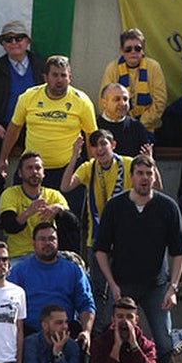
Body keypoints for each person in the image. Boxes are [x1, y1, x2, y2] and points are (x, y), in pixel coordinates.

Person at [94, 153, 182, 363]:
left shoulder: (168, 207)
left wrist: (173, 287)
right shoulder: (115, 206)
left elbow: (179, 252)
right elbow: (101, 250)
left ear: (155, 177)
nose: (145, 178)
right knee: (110, 338)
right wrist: (112, 284)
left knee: (164, 343)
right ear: (132, 176)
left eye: (149, 173)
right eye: (140, 173)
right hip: (122, 285)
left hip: (157, 287)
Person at [0, 55, 97, 208]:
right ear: (46, 77)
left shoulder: (82, 101)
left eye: (63, 75)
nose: (59, 80)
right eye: (55, 75)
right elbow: (14, 128)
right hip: (32, 169)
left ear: (70, 78)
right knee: (26, 215)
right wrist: (3, 158)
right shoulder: (28, 97)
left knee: (68, 217)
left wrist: (93, 168)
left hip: (67, 170)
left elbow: (92, 137)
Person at [60, 128, 139, 319]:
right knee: (97, 289)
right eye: (94, 145)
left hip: (123, 238)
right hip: (97, 238)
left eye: (103, 143)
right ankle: (98, 329)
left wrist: (151, 162)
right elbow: (65, 186)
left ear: (113, 145)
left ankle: (116, 325)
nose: (99, 149)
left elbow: (155, 188)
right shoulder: (89, 167)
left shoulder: (128, 164)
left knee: (120, 289)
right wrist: (74, 157)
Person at [0, 20, 47, 195]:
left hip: (35, 124)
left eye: (19, 38)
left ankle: (44, 190)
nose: (14, 42)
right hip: (5, 125)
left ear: (27, 41)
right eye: (8, 39)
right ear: (3, 44)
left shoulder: (42, 68)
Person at [8, 223, 96, 346]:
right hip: (30, 335)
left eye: (51, 239)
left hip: (65, 333)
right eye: (42, 239)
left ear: (57, 241)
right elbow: (9, 306)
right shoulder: (19, 271)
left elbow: (86, 304)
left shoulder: (73, 270)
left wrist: (86, 331)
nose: (47, 243)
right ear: (33, 243)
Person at [0, 151, 76, 261]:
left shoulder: (54, 195)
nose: (34, 172)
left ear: (43, 173)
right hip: (20, 256)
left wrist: (60, 209)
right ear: (20, 173)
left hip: (50, 256)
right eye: (29, 168)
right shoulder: (10, 194)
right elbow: (9, 226)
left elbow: (73, 224)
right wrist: (28, 213)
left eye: (38, 168)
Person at [99, 28, 167, 133]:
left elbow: (160, 102)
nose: (133, 52)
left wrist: (137, 125)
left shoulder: (153, 67)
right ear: (122, 50)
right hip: (117, 125)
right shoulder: (112, 68)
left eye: (137, 48)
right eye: (128, 49)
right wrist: (122, 122)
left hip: (147, 127)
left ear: (143, 49)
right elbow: (105, 101)